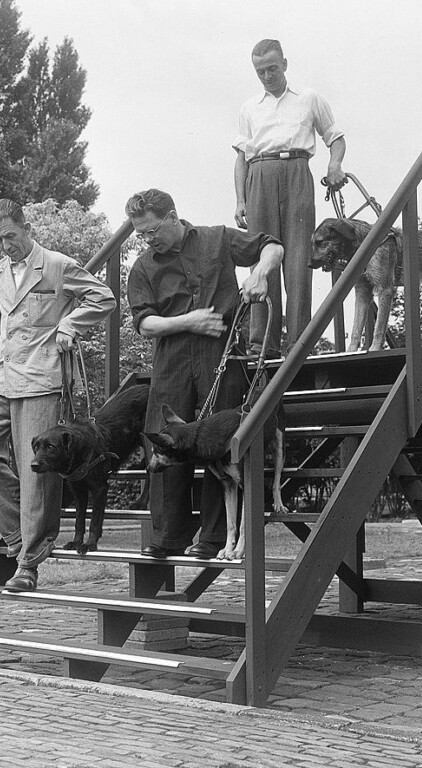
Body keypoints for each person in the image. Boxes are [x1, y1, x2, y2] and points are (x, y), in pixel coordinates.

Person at [0, 199, 115, 592]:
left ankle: (28, 564)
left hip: (41, 376)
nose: (5, 246)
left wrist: (69, 324)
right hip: (0, 374)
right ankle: (21, 533)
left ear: (26, 227)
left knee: (37, 473)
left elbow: (104, 297)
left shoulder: (58, 265)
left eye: (10, 236)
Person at [125, 189, 284, 559]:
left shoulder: (218, 238)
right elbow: (145, 323)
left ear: (173, 216)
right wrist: (188, 321)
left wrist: (260, 273)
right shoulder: (143, 267)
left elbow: (272, 245)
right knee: (164, 440)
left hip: (222, 353)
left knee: (218, 441)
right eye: (140, 235)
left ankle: (213, 539)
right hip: (171, 357)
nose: (147, 240)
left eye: (151, 231)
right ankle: (168, 537)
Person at [233, 38, 347, 357]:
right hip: (260, 174)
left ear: (285, 63)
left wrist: (334, 164)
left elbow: (335, 138)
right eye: (260, 72)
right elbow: (241, 158)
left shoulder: (309, 98)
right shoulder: (249, 108)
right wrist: (240, 200)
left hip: (297, 170)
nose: (267, 76)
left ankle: (298, 343)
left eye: (272, 68)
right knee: (261, 258)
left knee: (299, 257)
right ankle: (262, 345)